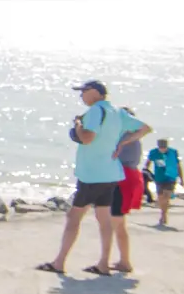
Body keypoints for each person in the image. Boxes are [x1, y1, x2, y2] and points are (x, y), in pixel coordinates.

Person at [38, 81, 145, 276]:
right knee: (104, 219)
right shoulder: (117, 112)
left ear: (95, 93)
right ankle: (103, 263)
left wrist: (78, 125)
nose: (81, 96)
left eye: (84, 92)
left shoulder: (96, 110)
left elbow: (87, 138)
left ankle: (59, 262)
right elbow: (144, 128)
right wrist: (123, 142)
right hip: (110, 174)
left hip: (92, 174)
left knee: (73, 217)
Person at [109, 107, 155, 274]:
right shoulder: (133, 138)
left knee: (113, 222)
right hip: (129, 177)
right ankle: (124, 261)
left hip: (123, 179)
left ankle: (110, 261)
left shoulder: (125, 138)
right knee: (119, 223)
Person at [145, 139, 184, 226]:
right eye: (161, 148)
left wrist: (181, 179)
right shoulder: (153, 152)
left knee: (166, 196)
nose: (162, 149)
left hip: (170, 178)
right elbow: (147, 164)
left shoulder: (173, 152)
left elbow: (178, 166)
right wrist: (147, 173)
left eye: (164, 148)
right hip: (159, 178)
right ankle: (163, 213)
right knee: (160, 197)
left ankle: (163, 215)